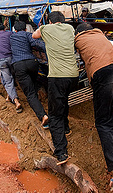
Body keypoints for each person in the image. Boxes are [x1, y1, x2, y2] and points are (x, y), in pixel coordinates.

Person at [74, 23, 113, 192]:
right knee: (109, 110)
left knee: (102, 122)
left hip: (103, 72)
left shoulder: (77, 39)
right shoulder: (100, 34)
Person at [32, 11, 79, 166]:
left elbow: (34, 36)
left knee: (54, 114)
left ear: (50, 21)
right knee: (63, 100)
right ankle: (66, 128)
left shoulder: (46, 28)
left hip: (57, 76)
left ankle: (61, 152)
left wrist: (45, 26)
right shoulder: (70, 29)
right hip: (73, 76)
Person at [11, 20, 48, 124]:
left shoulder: (11, 36)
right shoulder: (28, 34)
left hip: (18, 65)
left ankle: (43, 116)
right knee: (34, 81)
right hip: (32, 63)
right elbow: (38, 44)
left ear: (15, 30)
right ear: (26, 29)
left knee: (30, 93)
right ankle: (40, 96)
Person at [0, 22, 22, 111]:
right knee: (13, 76)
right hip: (12, 58)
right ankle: (9, 96)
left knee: (7, 81)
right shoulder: (10, 33)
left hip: (1, 60)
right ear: (5, 28)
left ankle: (16, 101)